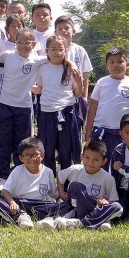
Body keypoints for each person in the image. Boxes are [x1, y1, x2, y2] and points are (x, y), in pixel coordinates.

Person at [0, 28, 48, 182]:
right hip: (5, 104)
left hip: (24, 107)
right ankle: (2, 176)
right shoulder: (7, 56)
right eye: (20, 42)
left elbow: (57, 57)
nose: (23, 46)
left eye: (27, 42)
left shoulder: (37, 60)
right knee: (3, 140)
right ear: (15, 43)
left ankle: (20, 175)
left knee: (23, 142)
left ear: (34, 44)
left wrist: (70, 63)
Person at [35, 36, 84, 175]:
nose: (57, 52)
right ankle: (48, 182)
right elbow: (40, 89)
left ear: (66, 50)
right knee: (47, 150)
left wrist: (79, 82)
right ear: (47, 51)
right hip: (47, 113)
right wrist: (25, 87)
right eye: (53, 49)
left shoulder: (71, 69)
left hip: (67, 112)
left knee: (66, 151)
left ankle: (66, 182)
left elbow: (77, 94)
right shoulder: (42, 68)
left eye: (60, 49)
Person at [85, 47, 129, 156]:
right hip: (101, 131)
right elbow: (93, 107)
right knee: (99, 161)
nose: (116, 65)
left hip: (123, 133)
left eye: (120, 61)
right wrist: (88, 130)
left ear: (127, 64)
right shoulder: (101, 83)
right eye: (112, 62)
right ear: (106, 66)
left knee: (120, 161)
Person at [55, 139, 123, 230]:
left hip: (94, 207)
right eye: (87, 158)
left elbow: (113, 200)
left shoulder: (108, 178)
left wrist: (106, 201)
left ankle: (80, 223)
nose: (90, 163)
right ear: (82, 156)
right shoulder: (75, 169)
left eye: (96, 160)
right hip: (76, 207)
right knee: (75, 186)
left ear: (104, 161)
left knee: (117, 207)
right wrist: (61, 194)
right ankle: (100, 222)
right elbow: (60, 176)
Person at [54, 15, 93, 131]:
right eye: (60, 29)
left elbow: (85, 76)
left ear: (73, 31)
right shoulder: (53, 51)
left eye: (67, 28)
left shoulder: (79, 50)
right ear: (55, 32)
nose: (63, 31)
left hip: (76, 98)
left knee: (74, 131)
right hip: (56, 98)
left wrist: (84, 97)